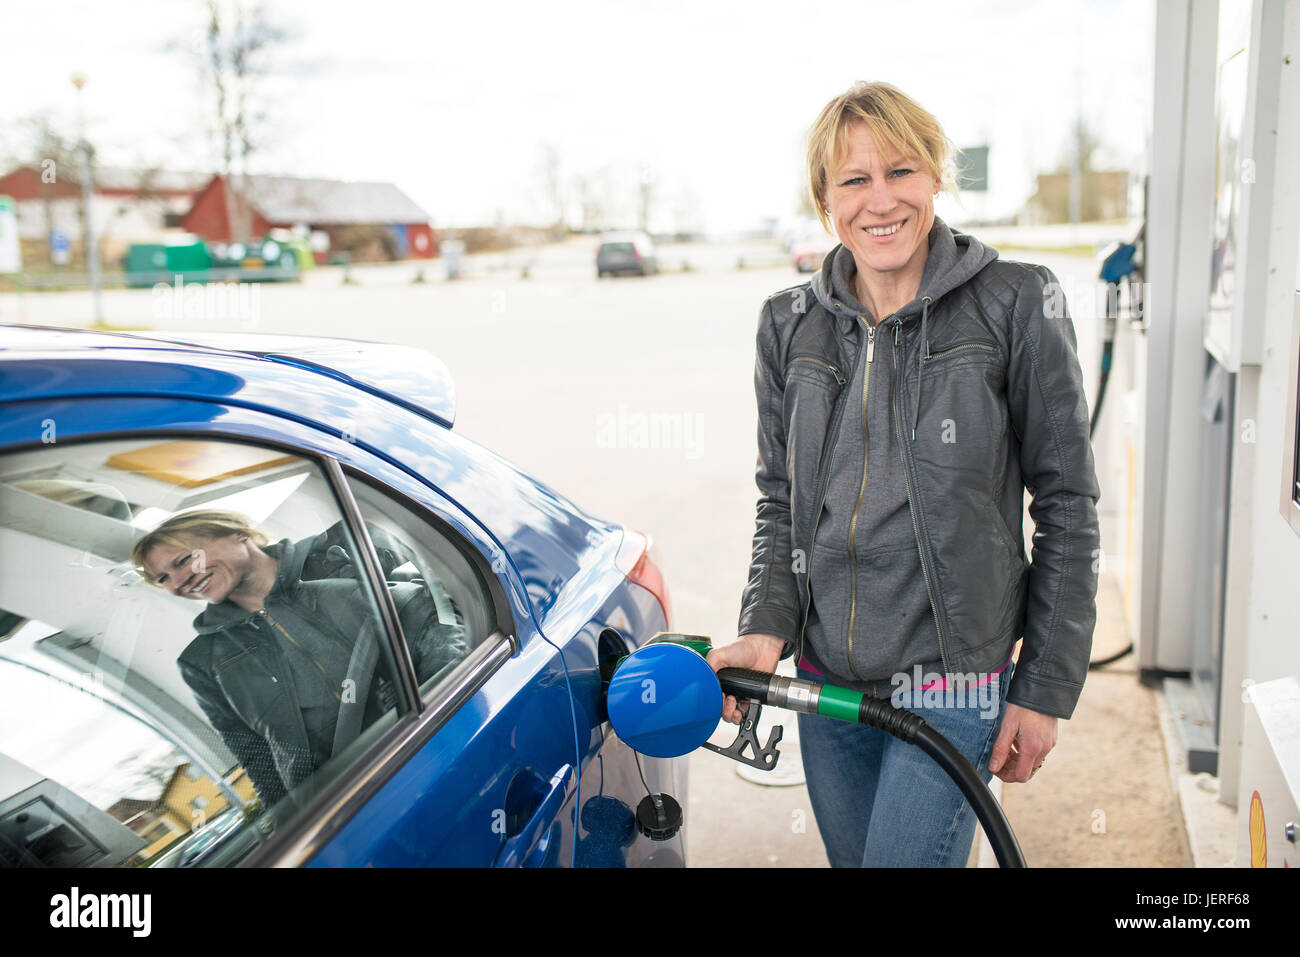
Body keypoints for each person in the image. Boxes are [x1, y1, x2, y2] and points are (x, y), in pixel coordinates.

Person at [709, 82, 1101, 867]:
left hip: (952, 688)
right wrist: (764, 627)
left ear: (935, 179)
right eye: (854, 180)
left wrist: (1042, 686)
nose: (880, 200)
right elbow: (781, 502)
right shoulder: (787, 324)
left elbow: (1067, 506)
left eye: (902, 171)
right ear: (825, 200)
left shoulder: (1017, 302)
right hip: (826, 684)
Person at [133, 510, 469, 809]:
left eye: (182, 560)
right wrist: (291, 833)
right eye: (162, 579)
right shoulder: (202, 662)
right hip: (343, 808)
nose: (178, 582)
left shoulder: (346, 550)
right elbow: (259, 760)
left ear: (236, 532)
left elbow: (444, 632)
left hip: (436, 749)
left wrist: (444, 737)